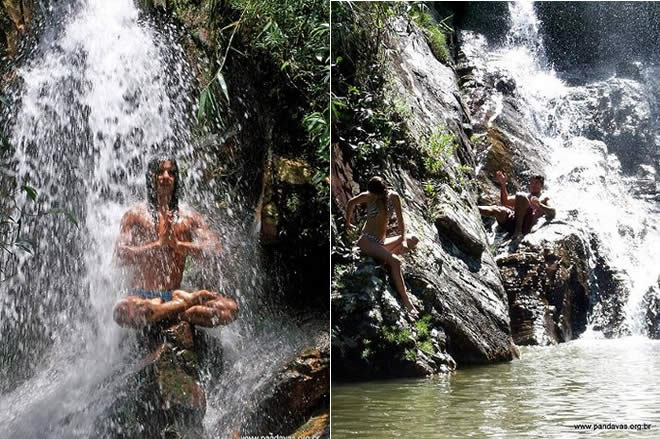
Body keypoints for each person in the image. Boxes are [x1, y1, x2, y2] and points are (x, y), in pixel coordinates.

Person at [113, 157, 238, 328]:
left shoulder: (189, 217)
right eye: (160, 172)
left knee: (229, 309)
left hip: (173, 295)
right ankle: (184, 308)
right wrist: (156, 245)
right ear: (151, 177)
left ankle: (164, 311)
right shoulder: (135, 215)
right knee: (123, 311)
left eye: (171, 172)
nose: (166, 176)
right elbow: (119, 255)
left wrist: (178, 245)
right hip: (141, 297)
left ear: (176, 179)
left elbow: (214, 249)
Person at [345, 176, 419, 314]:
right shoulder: (368, 196)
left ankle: (383, 259)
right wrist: (348, 223)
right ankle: (406, 301)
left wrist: (402, 240)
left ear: (381, 191)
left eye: (374, 193)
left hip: (381, 242)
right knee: (395, 261)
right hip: (366, 241)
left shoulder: (393, 197)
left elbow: (401, 221)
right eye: (370, 193)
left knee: (413, 239)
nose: (371, 195)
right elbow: (351, 203)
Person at [478, 170, 556, 239]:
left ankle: (518, 232)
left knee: (520, 195)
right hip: (513, 221)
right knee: (498, 209)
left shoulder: (545, 198)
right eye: (531, 182)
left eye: (536, 183)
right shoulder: (526, 196)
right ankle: (474, 208)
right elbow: (505, 201)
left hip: (527, 225)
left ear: (542, 185)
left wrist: (540, 205)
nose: (533, 185)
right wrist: (503, 185)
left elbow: (553, 212)